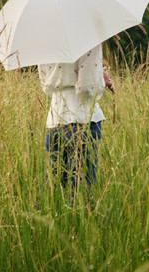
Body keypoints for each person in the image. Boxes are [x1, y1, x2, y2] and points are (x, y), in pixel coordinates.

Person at [38, 44, 115, 199]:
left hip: (54, 120)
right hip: (83, 119)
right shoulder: (90, 38)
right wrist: (101, 78)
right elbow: (88, 87)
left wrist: (97, 71)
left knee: (55, 193)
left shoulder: (45, 38)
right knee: (82, 195)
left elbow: (46, 86)